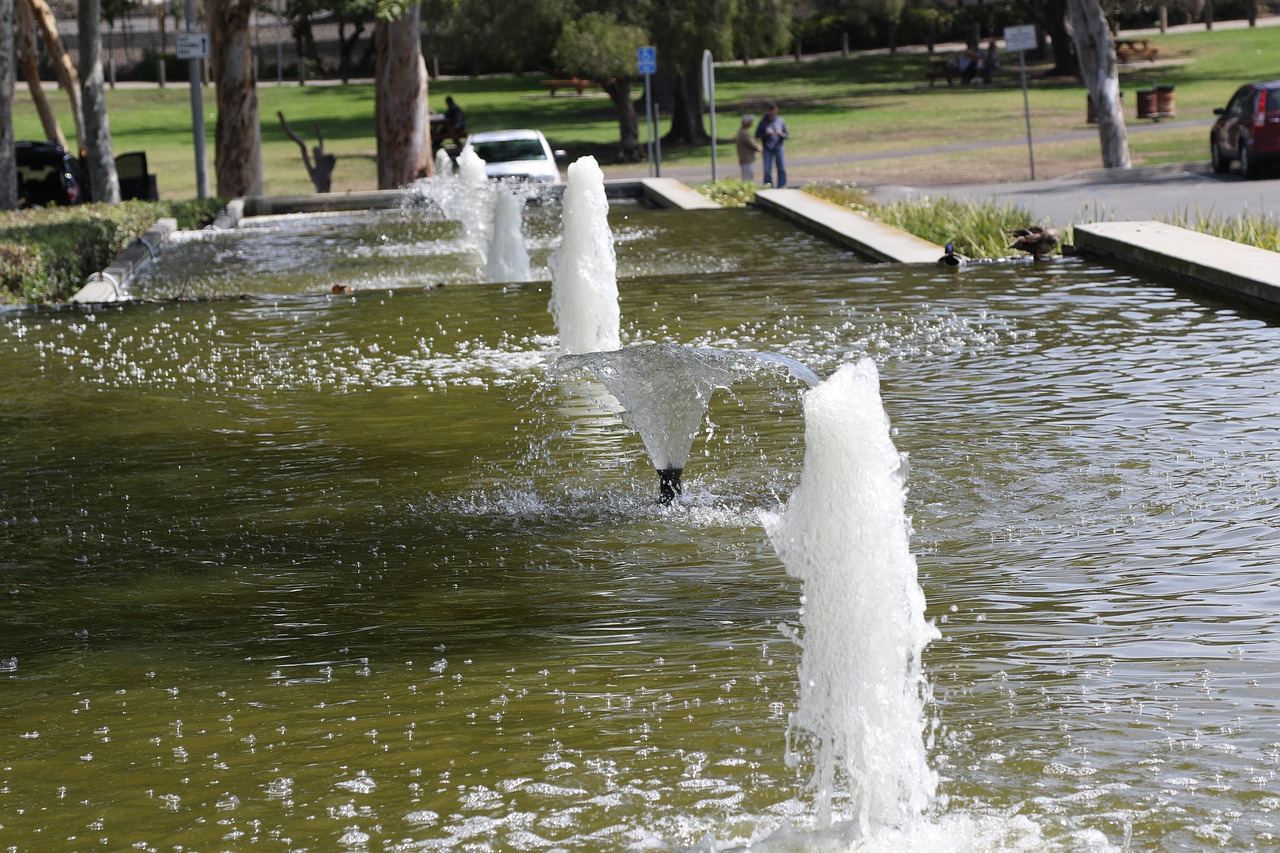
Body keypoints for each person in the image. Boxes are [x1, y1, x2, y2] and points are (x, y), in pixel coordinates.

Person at [755, 102, 789, 188]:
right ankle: (768, 186)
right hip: (767, 147)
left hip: (779, 147)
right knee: (767, 170)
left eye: (773, 110)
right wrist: (766, 134)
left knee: (781, 168)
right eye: (770, 110)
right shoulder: (763, 122)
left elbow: (786, 135)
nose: (772, 112)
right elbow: (757, 135)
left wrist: (781, 134)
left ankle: (781, 186)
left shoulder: (781, 121)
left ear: (776, 110)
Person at [735, 115, 762, 182]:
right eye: (750, 122)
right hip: (747, 158)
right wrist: (759, 148)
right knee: (748, 178)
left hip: (744, 158)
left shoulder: (741, 132)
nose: (751, 123)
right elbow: (752, 144)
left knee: (747, 177)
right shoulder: (744, 133)